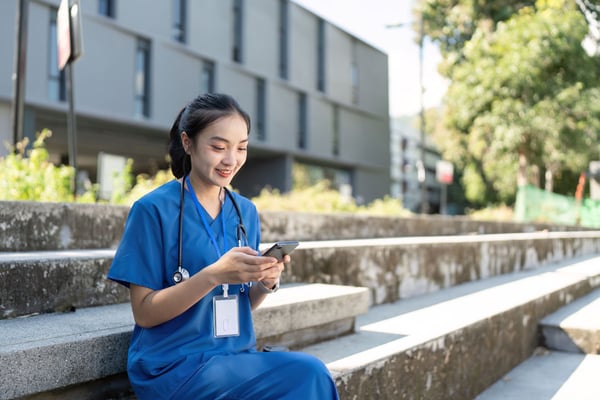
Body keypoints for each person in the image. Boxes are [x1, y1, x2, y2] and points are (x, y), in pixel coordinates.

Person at [108, 93, 340, 399]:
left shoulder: (245, 212)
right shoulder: (153, 210)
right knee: (308, 374)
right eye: (218, 147)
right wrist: (213, 275)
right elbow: (144, 313)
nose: (231, 160)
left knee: (311, 374)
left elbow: (237, 301)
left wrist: (266, 283)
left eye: (241, 148)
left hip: (233, 356)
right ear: (188, 143)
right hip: (174, 366)